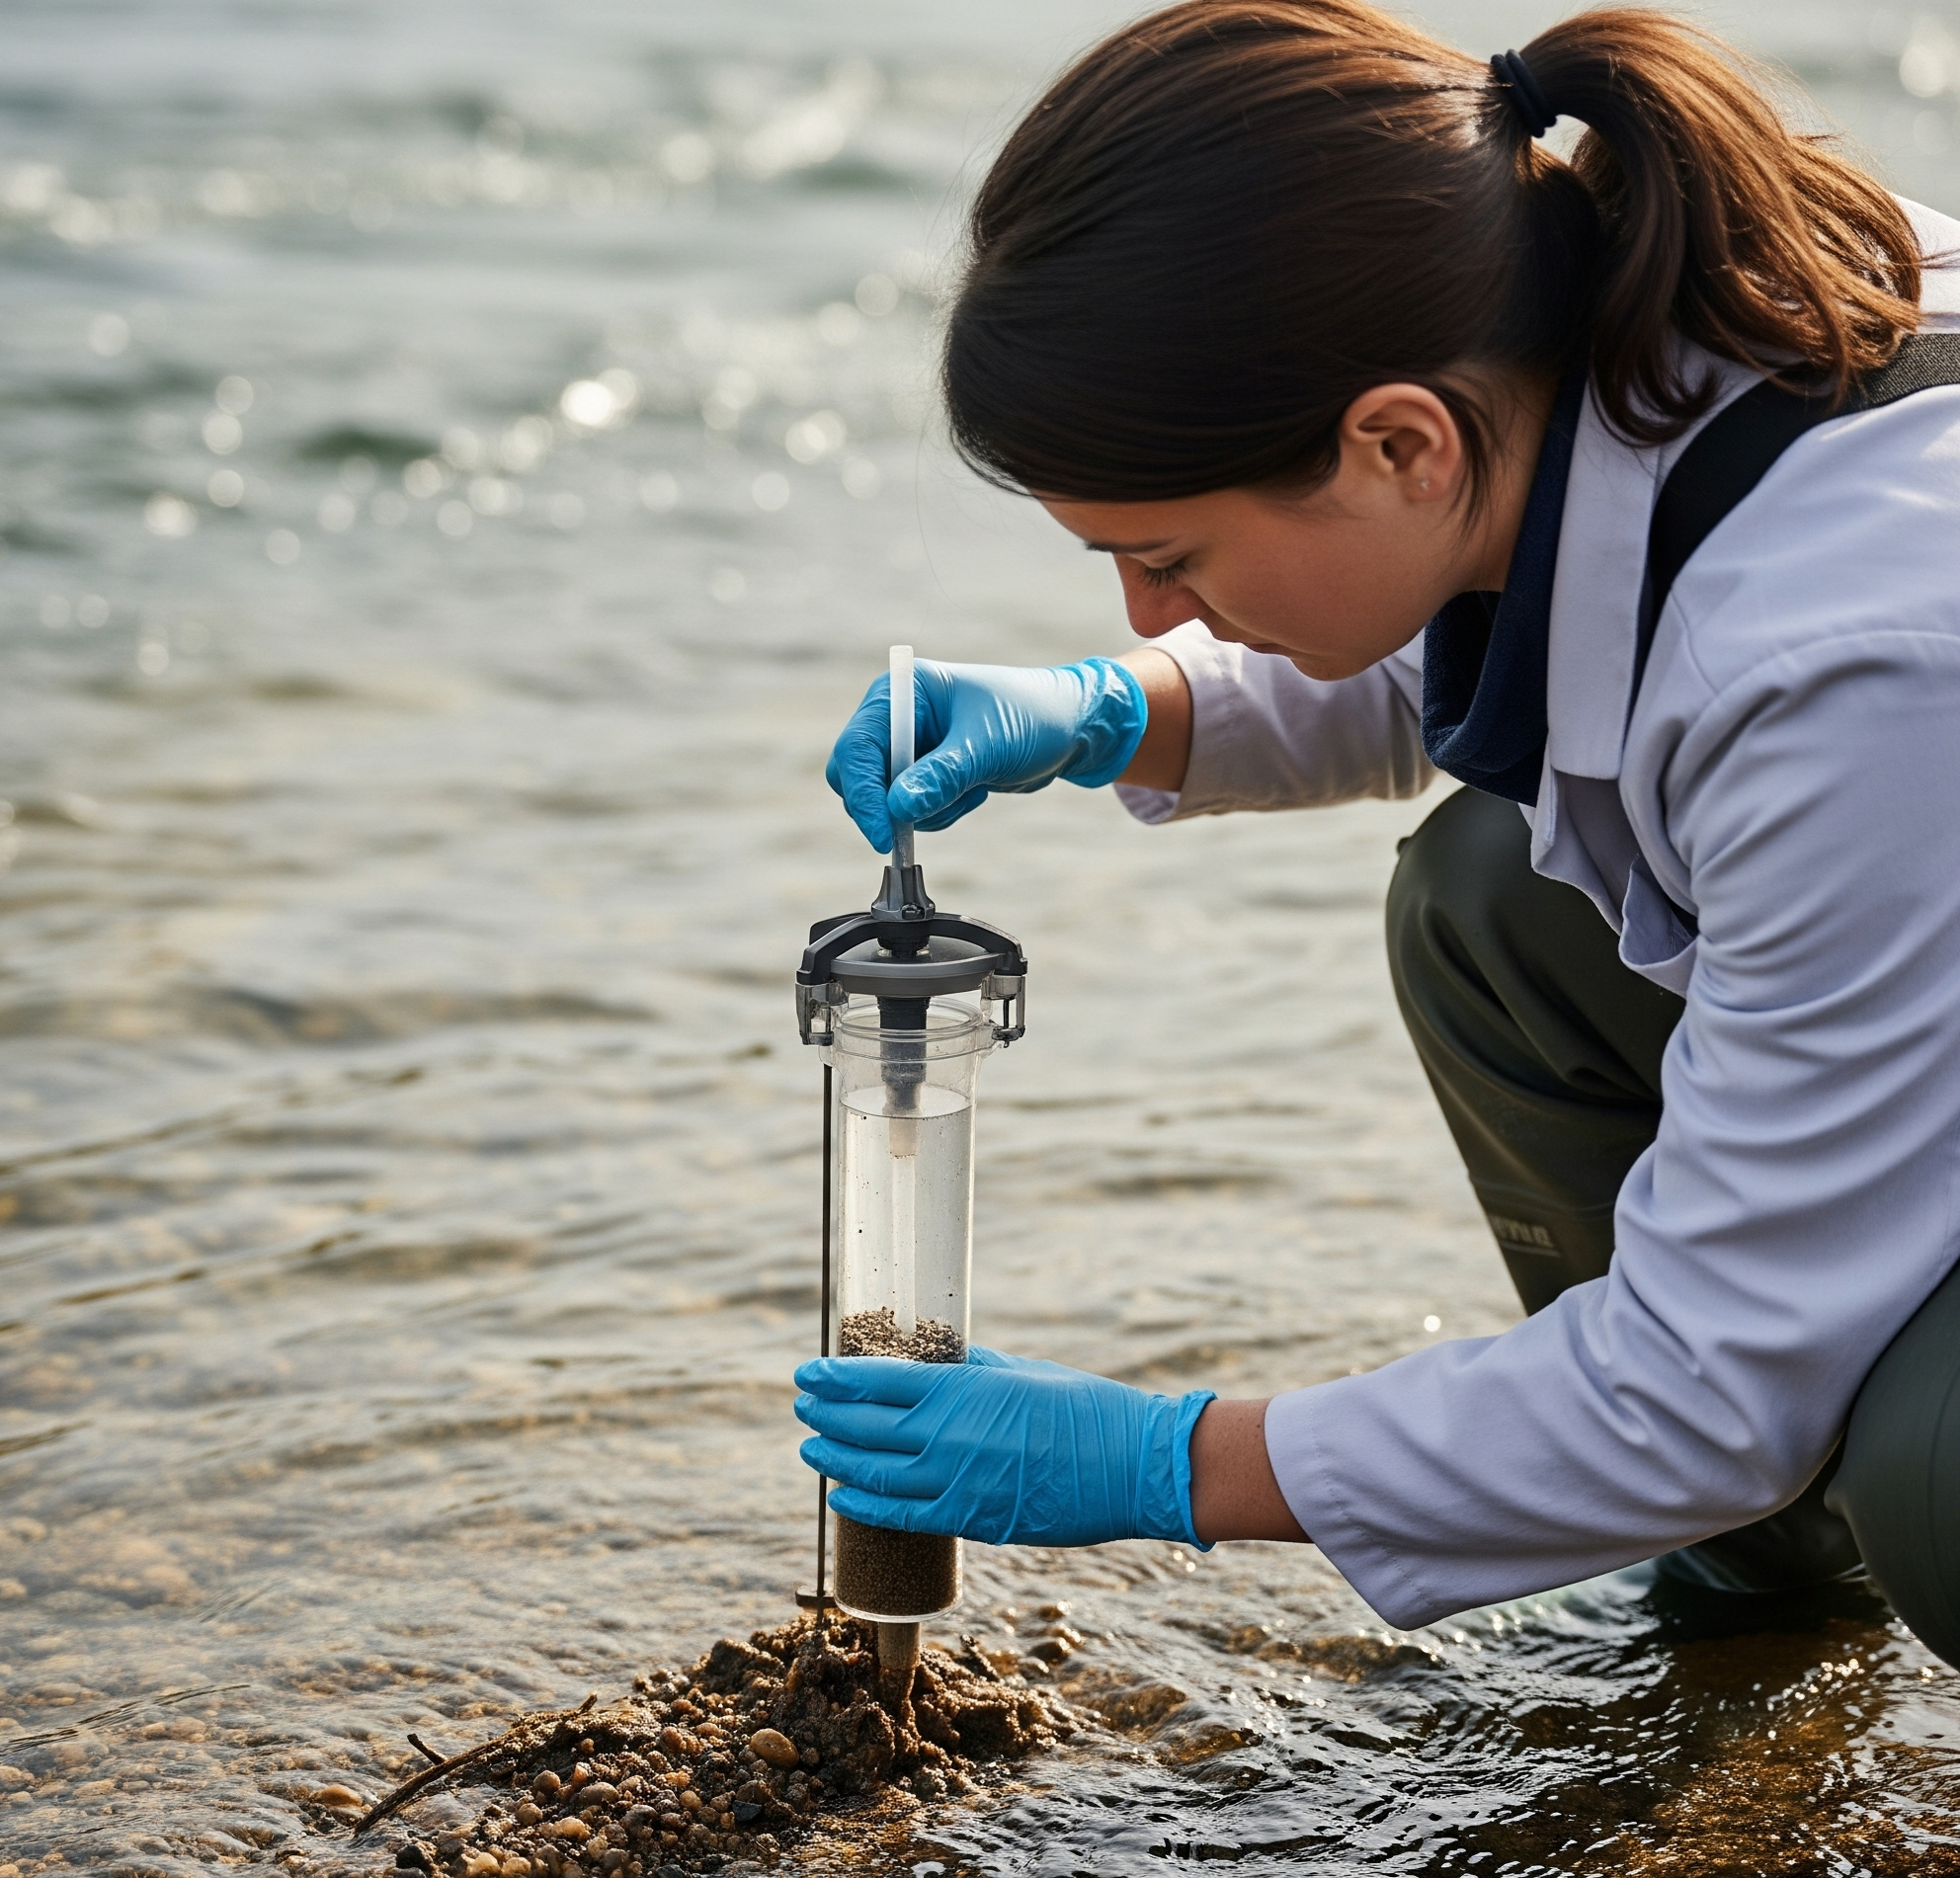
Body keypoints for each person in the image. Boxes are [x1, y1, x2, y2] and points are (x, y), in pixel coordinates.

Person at [792, 0, 1960, 1666]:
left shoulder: (1857, 666)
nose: (1144, 605)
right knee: (1498, 898)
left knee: (1940, 1463)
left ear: (1398, 436)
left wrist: (1173, 1461)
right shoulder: (1660, 316)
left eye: (1172, 557)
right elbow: (1551, 615)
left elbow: (1705, 1379)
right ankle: (1759, 1591)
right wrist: (1130, 705)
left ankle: (1806, 1505)